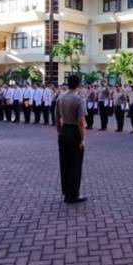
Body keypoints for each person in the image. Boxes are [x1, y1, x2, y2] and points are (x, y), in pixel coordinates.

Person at [55, 74, 87, 204]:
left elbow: (56, 118)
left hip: (64, 130)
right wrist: (83, 139)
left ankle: (66, 192)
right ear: (78, 85)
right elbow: (81, 121)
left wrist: (59, 131)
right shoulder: (79, 99)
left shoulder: (60, 97)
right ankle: (73, 194)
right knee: (75, 164)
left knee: (64, 163)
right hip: (74, 132)